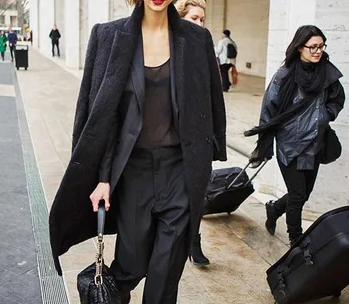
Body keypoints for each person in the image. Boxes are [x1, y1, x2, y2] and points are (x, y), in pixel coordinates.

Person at [48, 0, 227, 303]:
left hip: (180, 172)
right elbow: (98, 115)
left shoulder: (197, 39)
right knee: (131, 264)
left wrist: (208, 157)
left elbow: (212, 100)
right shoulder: (107, 36)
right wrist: (102, 177)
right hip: (133, 171)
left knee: (165, 274)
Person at [245, 25, 345, 247]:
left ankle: (274, 209)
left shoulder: (327, 72)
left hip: (315, 144)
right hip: (289, 145)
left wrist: (325, 114)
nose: (318, 51)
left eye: (321, 46)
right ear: (300, 47)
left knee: (303, 194)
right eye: (313, 47)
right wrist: (264, 147)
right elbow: (268, 112)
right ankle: (295, 240)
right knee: (298, 195)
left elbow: (338, 99)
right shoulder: (284, 75)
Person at [175, 0, 211, 267]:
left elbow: (213, 97)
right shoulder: (170, 46)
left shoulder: (204, 46)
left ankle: (194, 239)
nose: (200, 24)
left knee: (196, 193)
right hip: (172, 138)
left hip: (198, 136)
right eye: (194, 19)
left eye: (202, 19)